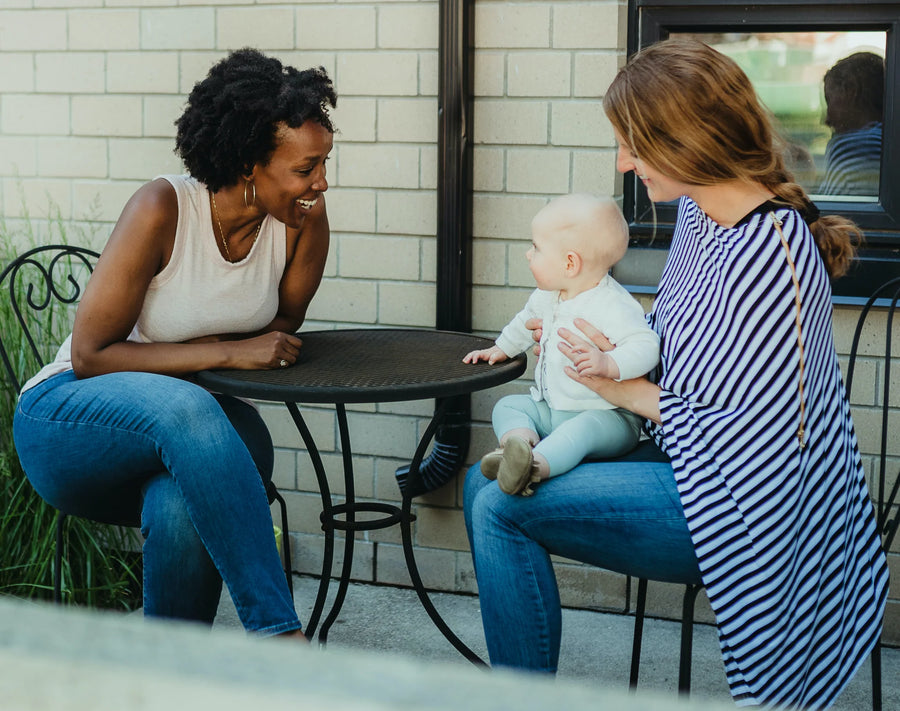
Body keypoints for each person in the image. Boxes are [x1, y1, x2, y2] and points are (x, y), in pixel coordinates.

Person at [464, 38, 888, 709]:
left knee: (496, 507)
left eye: (633, 143)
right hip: (683, 457)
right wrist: (595, 339)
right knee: (482, 483)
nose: (623, 162)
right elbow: (684, 345)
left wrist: (617, 387)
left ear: (686, 137)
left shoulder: (771, 255)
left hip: (750, 504)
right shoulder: (700, 214)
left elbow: (759, 436)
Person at [12, 48, 337, 638]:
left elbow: (277, 333)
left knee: (188, 498)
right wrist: (225, 351)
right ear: (248, 164)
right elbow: (92, 356)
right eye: (304, 169)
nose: (320, 182)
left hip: (187, 434)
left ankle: (169, 678)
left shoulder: (302, 224)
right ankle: (279, 638)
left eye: (323, 164)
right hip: (69, 418)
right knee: (192, 409)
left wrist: (246, 343)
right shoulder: (163, 207)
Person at [462, 194, 658, 496]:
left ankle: (534, 465)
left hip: (608, 418)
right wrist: (501, 348)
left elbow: (646, 346)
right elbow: (524, 322)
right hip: (551, 410)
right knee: (509, 405)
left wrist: (610, 364)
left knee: (580, 431)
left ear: (570, 263)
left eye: (536, 248)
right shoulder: (548, 295)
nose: (529, 254)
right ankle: (517, 446)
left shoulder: (613, 304)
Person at [819, 51, 884, 196]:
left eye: (829, 100)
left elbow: (828, 214)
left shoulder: (854, 147)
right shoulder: (886, 143)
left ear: (850, 92)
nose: (826, 119)